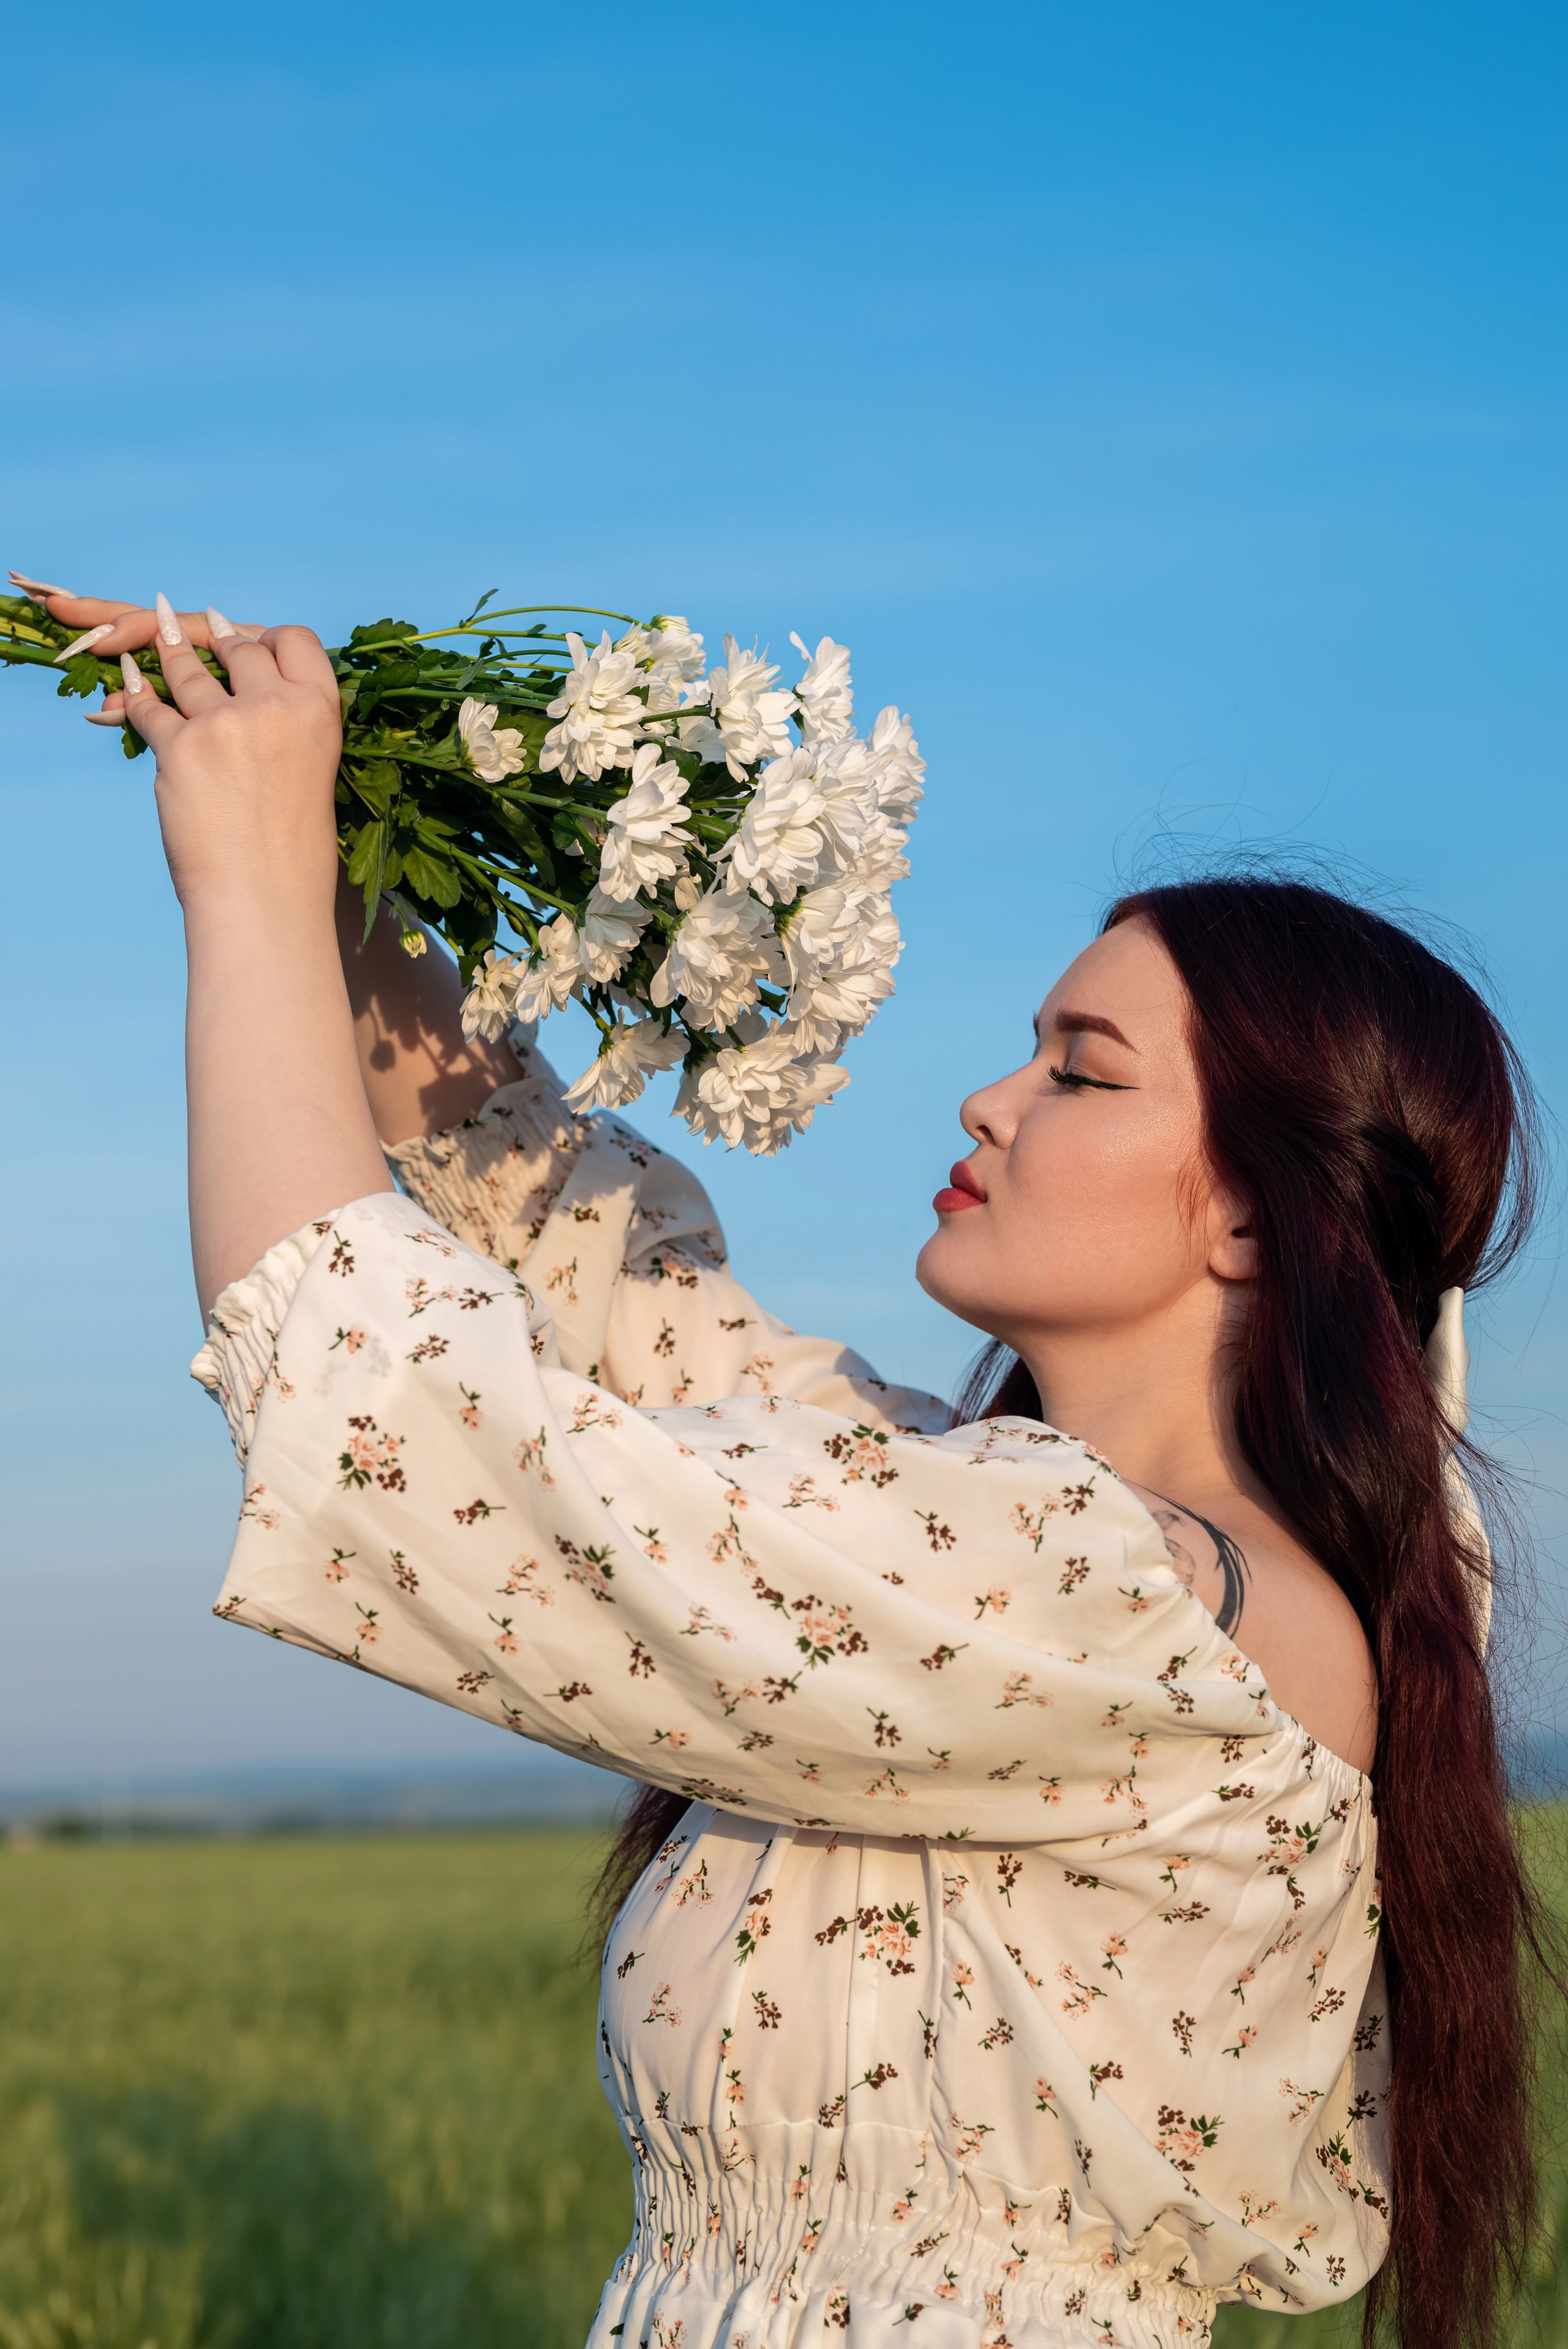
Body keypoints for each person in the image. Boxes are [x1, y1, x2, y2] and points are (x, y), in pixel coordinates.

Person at [22, 581, 1557, 2349]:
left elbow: (423, 1434)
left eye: (1081, 1068)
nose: (988, 1098)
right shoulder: (985, 1519)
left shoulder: (1140, 1602)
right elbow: (601, 1283)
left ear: (1244, 1214)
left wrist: (251, 892)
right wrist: (355, 831)